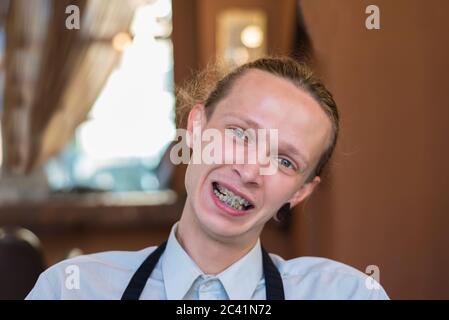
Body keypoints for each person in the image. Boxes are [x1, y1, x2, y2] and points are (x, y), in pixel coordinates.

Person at [26, 57, 389, 300]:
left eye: (284, 160)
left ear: (301, 192)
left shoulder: (349, 294)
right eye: (241, 134)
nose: (249, 172)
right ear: (197, 128)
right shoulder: (71, 289)